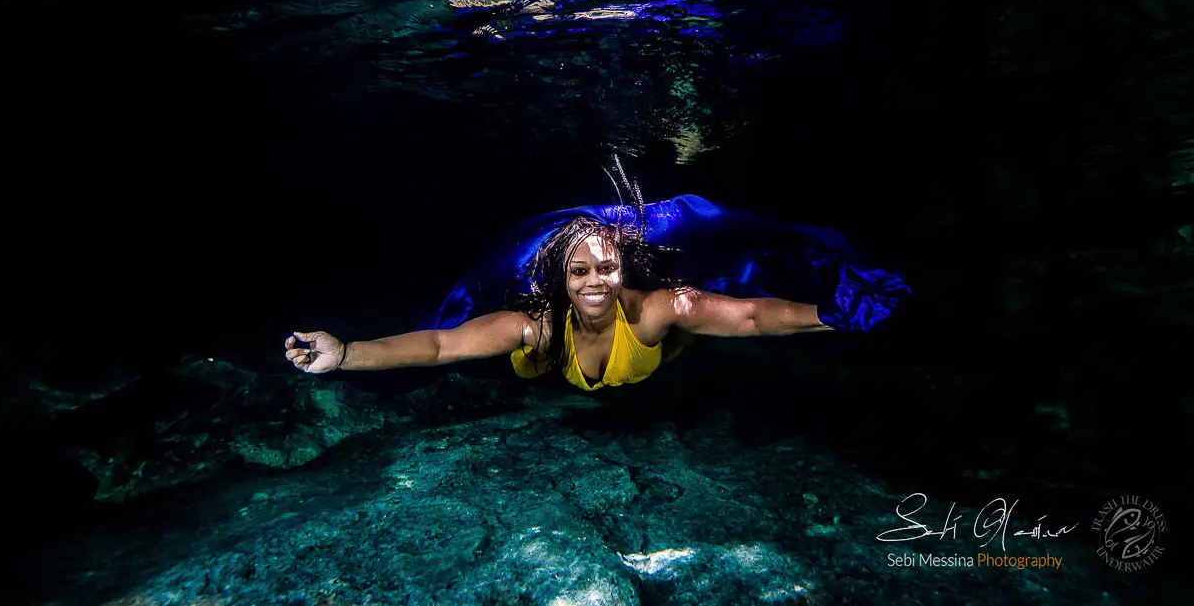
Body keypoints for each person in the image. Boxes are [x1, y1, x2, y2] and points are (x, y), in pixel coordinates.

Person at [284, 179, 911, 392]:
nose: (593, 282)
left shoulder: (654, 308)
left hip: (657, 356)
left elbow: (748, 317)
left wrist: (830, 315)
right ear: (560, 275)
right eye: (579, 271)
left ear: (622, 271)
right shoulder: (532, 324)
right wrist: (347, 355)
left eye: (605, 269)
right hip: (549, 373)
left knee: (701, 317)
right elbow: (439, 347)